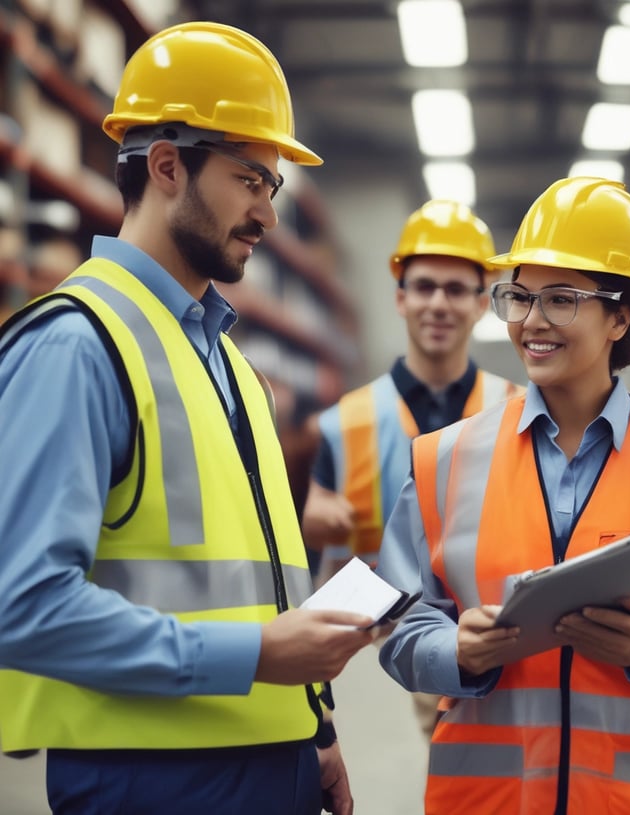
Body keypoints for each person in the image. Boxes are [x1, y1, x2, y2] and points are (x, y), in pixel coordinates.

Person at [0, 22, 376, 815]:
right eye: (250, 179)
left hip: (270, 766)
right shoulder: (76, 346)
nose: (267, 214)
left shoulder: (230, 364)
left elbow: (258, 580)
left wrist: (312, 728)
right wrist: (254, 655)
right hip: (151, 781)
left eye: (272, 188)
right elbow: (23, 606)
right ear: (168, 166)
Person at [375, 176, 630, 814]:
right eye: (519, 297)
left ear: (621, 316)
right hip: (491, 800)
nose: (532, 321)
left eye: (561, 300)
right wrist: (456, 651)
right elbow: (400, 626)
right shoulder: (443, 459)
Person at [301, 199, 524, 739]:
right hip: (373, 652)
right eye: (424, 287)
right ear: (401, 298)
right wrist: (309, 522)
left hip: (484, 647)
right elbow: (315, 540)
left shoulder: (519, 413)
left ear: (482, 303)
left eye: (457, 289)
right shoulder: (343, 422)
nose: (439, 304)